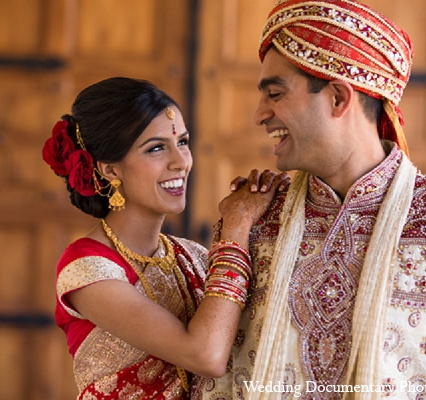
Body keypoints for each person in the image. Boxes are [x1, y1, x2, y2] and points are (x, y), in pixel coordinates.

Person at [192, 1, 426, 399]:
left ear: (338, 99)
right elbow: (214, 384)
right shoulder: (254, 219)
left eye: (274, 94)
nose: (259, 114)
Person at [41, 77, 289, 399]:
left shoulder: (192, 256)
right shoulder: (87, 269)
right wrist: (237, 225)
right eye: (156, 148)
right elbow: (206, 355)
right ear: (110, 170)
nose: (181, 161)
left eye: (183, 142)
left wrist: (268, 218)